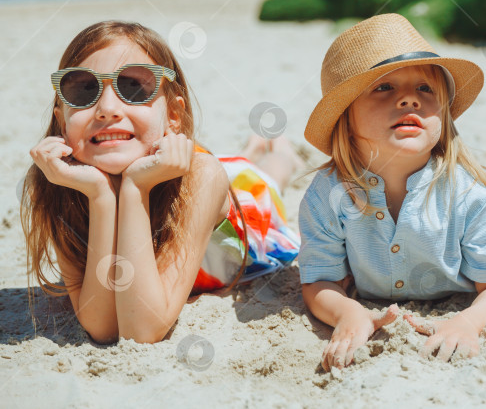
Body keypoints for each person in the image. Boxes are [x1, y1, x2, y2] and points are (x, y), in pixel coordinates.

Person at [22, 21, 302, 344]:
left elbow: (141, 330)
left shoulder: (202, 177)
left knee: (270, 174)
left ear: (173, 116)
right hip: (176, 162)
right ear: (62, 119)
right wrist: (101, 197)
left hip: (244, 201)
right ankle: (251, 149)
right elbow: (102, 326)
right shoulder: (57, 183)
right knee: (243, 162)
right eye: (84, 89)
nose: (107, 109)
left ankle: (279, 150)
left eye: (134, 87)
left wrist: (135, 188)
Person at [297, 14, 486, 371]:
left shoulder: (471, 196)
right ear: (346, 116)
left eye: (425, 89)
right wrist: (349, 313)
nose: (409, 99)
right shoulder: (326, 195)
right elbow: (320, 280)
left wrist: (468, 322)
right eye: (384, 87)